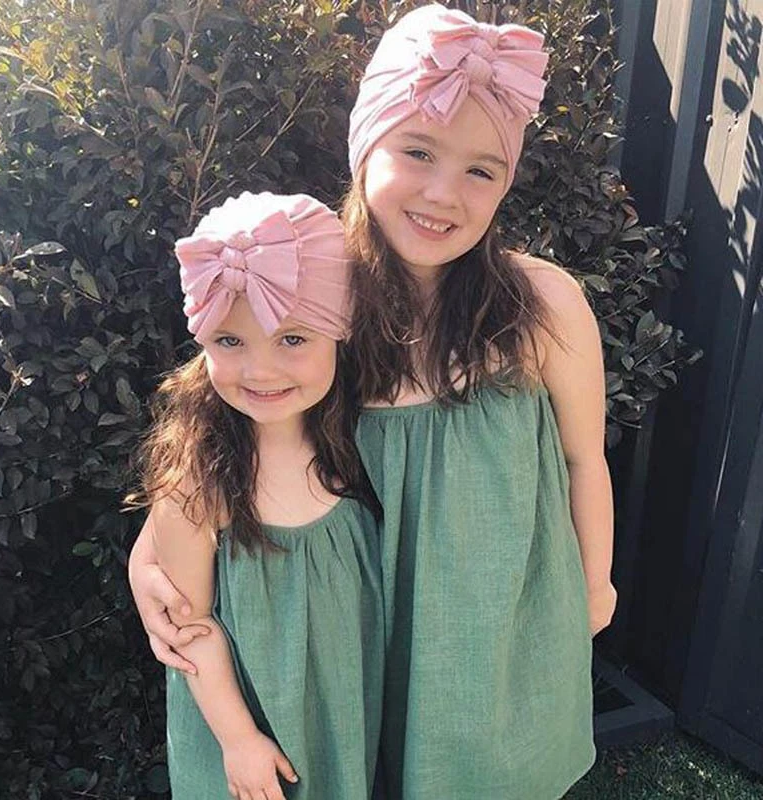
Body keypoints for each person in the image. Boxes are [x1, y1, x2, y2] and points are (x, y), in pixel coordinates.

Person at [130, 5, 617, 798]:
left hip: (486, 633)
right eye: (417, 150)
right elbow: (213, 425)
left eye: (481, 170)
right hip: (339, 641)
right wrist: (147, 563)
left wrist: (593, 586)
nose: (443, 193)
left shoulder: (542, 308)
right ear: (366, 146)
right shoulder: (303, 294)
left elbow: (582, 458)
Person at [129, 191, 384, 800]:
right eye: (230, 341)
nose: (261, 371)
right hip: (248, 727)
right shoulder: (200, 476)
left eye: (293, 339)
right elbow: (189, 624)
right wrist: (239, 739)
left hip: (348, 704)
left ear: (339, 333)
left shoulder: (365, 441)